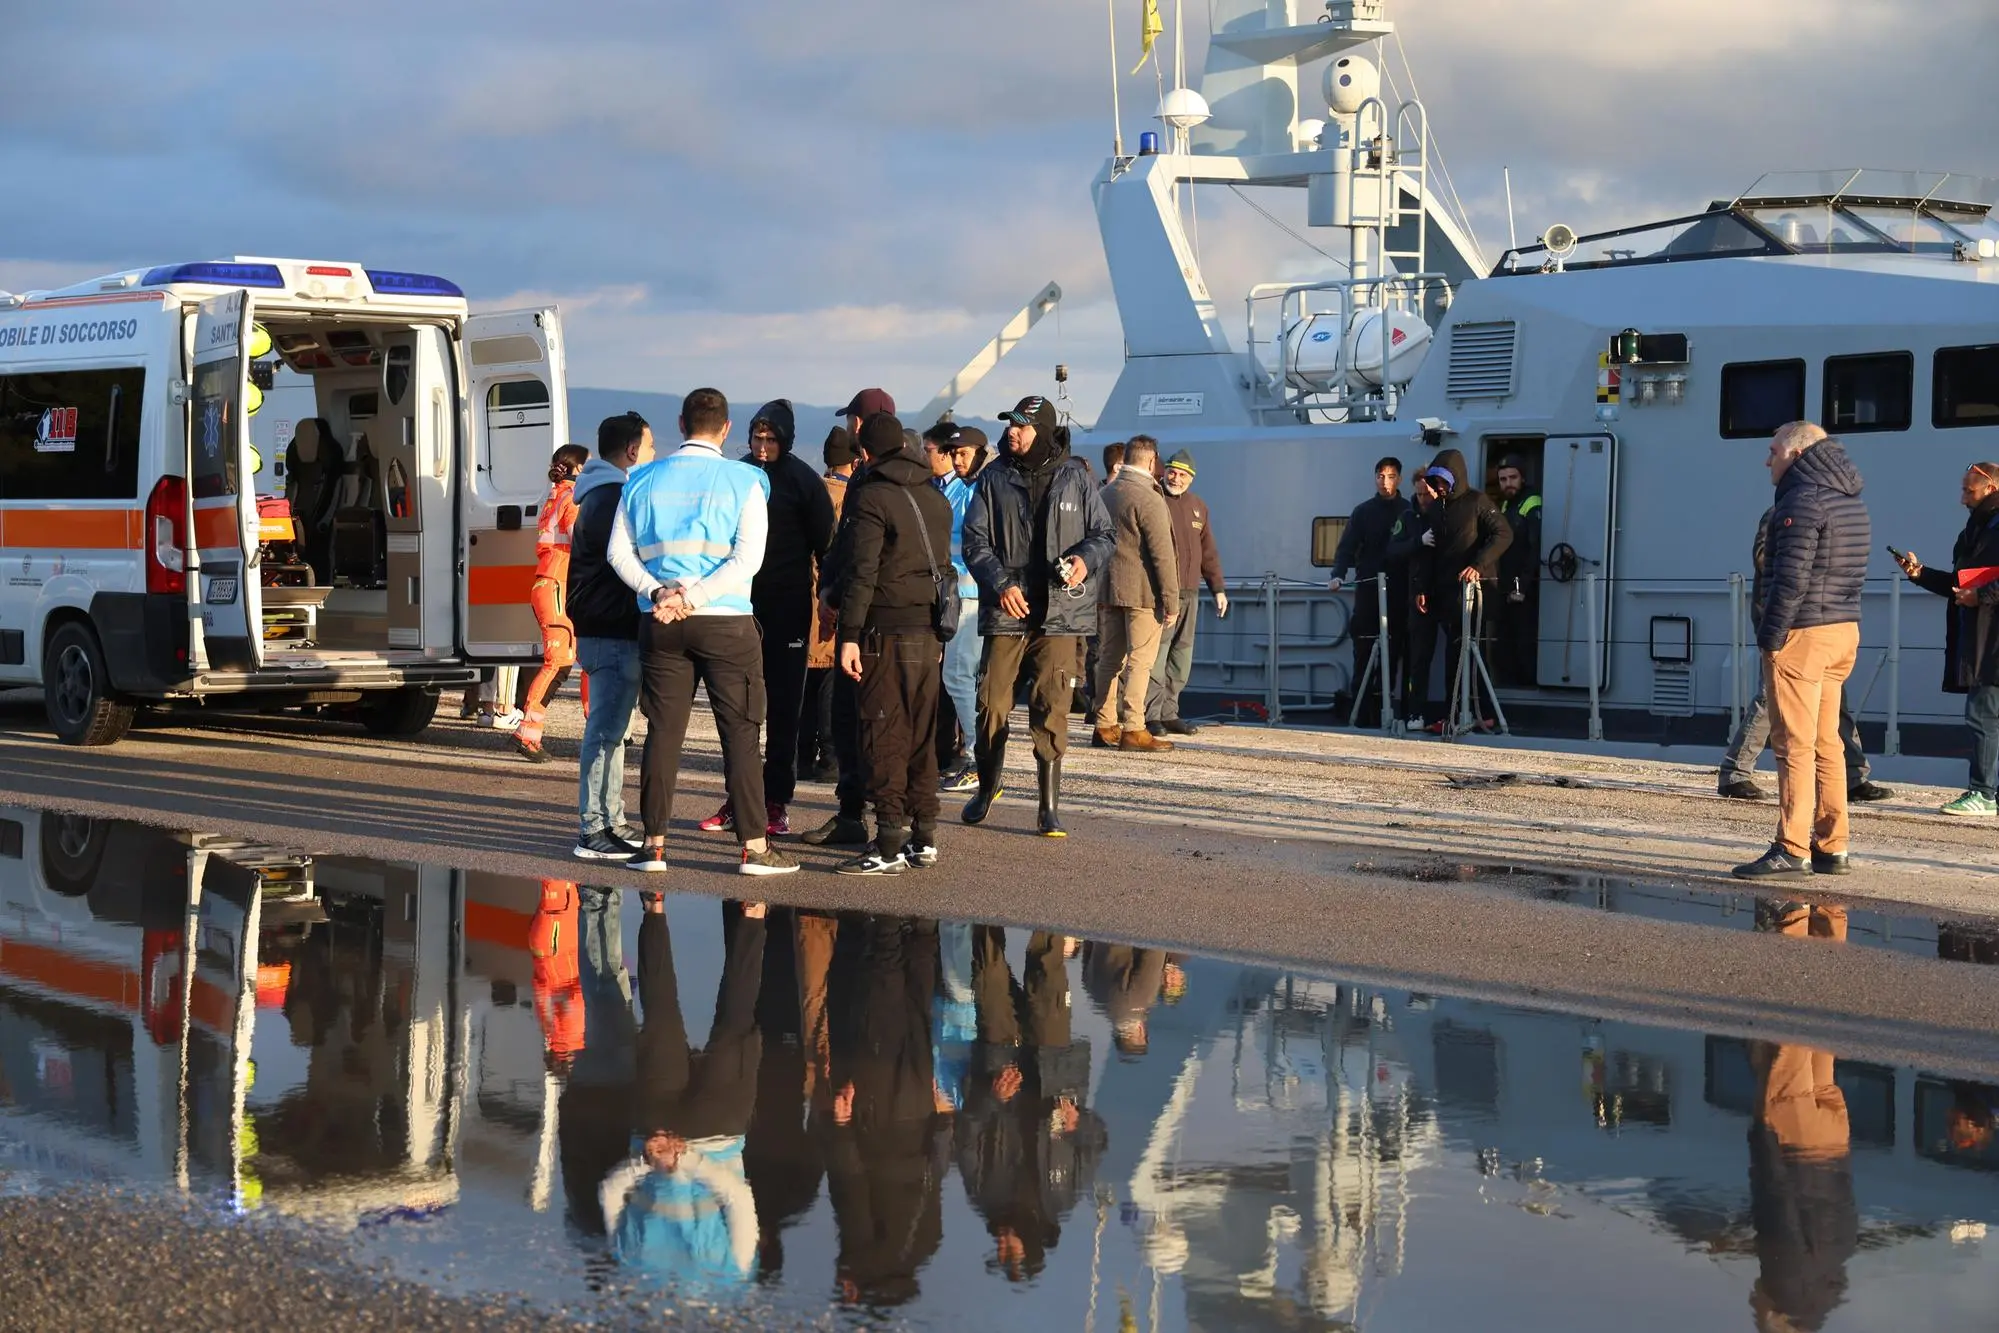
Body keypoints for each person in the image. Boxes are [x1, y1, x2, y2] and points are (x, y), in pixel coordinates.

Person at [608, 387, 799, 878]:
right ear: (727, 429)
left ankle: (653, 844)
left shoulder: (642, 478)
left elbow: (618, 554)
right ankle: (754, 848)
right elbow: (747, 559)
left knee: (663, 732)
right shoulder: (747, 480)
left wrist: (658, 595)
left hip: (660, 623)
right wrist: (694, 598)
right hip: (726, 621)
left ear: (681, 422)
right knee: (739, 731)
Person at [961, 395, 1116, 836]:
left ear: (1042, 429)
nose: (1012, 431)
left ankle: (1048, 807)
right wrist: (1000, 584)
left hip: (1061, 614)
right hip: (1009, 609)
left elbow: (1105, 534)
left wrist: (1086, 558)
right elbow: (975, 542)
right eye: (1010, 424)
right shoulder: (993, 477)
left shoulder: (1076, 477)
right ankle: (987, 785)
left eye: (1022, 425)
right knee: (991, 701)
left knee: (1052, 706)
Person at [598, 897, 768, 1285]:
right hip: (653, 1134)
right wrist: (651, 1160)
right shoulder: (632, 1268)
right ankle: (653, 908)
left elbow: (738, 1198)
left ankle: (753, 915)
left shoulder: (730, 1277)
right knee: (660, 1017)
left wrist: (689, 1161)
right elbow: (610, 1192)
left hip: (717, 1133)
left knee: (735, 1021)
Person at [1733, 422, 1871, 880]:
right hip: (1842, 630)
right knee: (1828, 742)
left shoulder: (1801, 501)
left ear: (1794, 453)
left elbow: (1790, 578)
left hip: (1803, 635)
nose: (1766, 460)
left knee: (1793, 745)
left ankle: (1792, 847)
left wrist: (1771, 637)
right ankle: (1833, 845)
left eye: (1772, 451)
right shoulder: (1850, 500)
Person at [698, 400, 835, 839]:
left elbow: (826, 548)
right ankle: (739, 799)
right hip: (739, 608)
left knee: (782, 710)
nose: (761, 447)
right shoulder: (736, 475)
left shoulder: (804, 483)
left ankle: (775, 802)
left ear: (786, 440)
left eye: (770, 439)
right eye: (756, 438)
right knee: (738, 709)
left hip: (788, 608)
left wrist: (827, 602)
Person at [829, 413, 955, 875]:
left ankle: (886, 843)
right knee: (922, 735)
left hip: (884, 630)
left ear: (865, 452)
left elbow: (863, 573)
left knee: (883, 733)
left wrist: (847, 637)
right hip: (928, 630)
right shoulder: (934, 497)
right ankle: (923, 836)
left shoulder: (872, 497)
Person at [1719, 503, 1888, 804]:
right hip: (1785, 621)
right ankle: (1735, 772)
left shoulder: (1827, 518)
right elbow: (1764, 560)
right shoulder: (1779, 514)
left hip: (1820, 621)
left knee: (1833, 696)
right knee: (1771, 695)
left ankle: (1853, 777)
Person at [568, 413, 653, 860]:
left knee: (614, 730)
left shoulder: (600, 495)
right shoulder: (612, 498)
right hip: (610, 629)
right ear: (633, 450)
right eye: (651, 447)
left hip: (605, 627)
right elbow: (625, 564)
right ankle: (593, 828)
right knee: (605, 730)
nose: (653, 455)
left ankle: (611, 819)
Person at [1895, 461, 1999, 817]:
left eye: (1968, 491)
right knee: (1986, 715)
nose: (1962, 498)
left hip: (1992, 639)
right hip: (1979, 636)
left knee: (1982, 716)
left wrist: (1981, 596)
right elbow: (1959, 585)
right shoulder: (1975, 529)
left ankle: (1984, 793)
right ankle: (1986, 792)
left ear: (1991, 488)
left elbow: (1978, 589)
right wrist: (1920, 574)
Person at [1410, 449, 1512, 730]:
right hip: (1444, 595)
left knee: (1471, 654)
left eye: (1443, 481)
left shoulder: (1477, 501)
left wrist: (1478, 565)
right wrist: (1422, 588)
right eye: (1435, 482)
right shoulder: (1435, 509)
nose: (1439, 487)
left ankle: (1476, 713)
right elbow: (1429, 554)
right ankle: (1456, 715)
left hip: (1472, 594)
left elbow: (1503, 533)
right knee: (1453, 655)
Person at [1091, 437, 1180, 752]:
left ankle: (1103, 724)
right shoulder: (1150, 498)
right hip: (1143, 592)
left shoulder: (1104, 493)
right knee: (1140, 662)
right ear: (1152, 460)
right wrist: (1171, 600)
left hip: (1107, 588)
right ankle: (1134, 728)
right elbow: (1162, 555)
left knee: (1109, 659)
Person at [511, 444, 591, 761]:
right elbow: (581, 538)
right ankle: (527, 734)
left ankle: (530, 733)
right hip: (556, 585)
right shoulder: (571, 497)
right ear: (578, 469)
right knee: (557, 663)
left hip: (551, 583)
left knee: (562, 664)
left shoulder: (555, 494)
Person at [1143, 449, 1228, 737]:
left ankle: (1169, 713)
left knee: (1181, 657)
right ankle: (1150, 715)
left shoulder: (1198, 507)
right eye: (1172, 472)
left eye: (1182, 474)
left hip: (1190, 592)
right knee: (1157, 655)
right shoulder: (1155, 501)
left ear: (1191, 479)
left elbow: (1208, 552)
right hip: (1162, 592)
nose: (1175, 478)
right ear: (1163, 471)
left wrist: (1218, 588)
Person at [922, 421, 988, 793]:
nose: (955, 459)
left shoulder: (972, 492)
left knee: (959, 678)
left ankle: (980, 758)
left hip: (967, 596)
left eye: (960, 453)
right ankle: (973, 754)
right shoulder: (947, 490)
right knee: (958, 680)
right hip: (953, 595)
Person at [1328, 456, 1412, 727]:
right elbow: (1346, 548)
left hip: (1399, 591)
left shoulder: (1409, 511)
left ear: (1399, 479)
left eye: (1390, 477)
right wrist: (1338, 574)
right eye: (1380, 476)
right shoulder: (1363, 512)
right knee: (1363, 650)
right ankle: (1361, 712)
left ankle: (1387, 708)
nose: (1385, 482)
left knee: (1395, 651)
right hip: (1368, 591)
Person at [799, 427, 858, 786]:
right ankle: (830, 756)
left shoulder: (808, 493)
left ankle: (799, 755)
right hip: (831, 599)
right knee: (831, 684)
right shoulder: (852, 500)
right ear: (854, 461)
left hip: (801, 600)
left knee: (803, 682)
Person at [1493, 455, 1543, 688]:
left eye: (1513, 477)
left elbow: (1535, 549)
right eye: (1503, 479)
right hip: (1505, 587)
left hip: (1524, 590)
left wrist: (1521, 586)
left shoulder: (1531, 503)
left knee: (1523, 643)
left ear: (1522, 478)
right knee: (1503, 643)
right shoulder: (1506, 504)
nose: (1508, 483)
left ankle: (1525, 690)